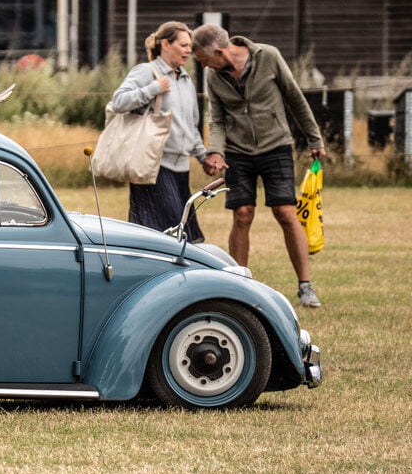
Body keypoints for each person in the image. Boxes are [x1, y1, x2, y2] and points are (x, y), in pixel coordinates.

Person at [191, 24, 327, 308]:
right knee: (242, 214)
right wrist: (215, 151)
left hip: (276, 145)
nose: (204, 66)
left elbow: (295, 99)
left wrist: (314, 137)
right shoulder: (213, 76)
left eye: (205, 60)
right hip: (238, 152)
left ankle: (305, 287)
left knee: (285, 213)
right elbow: (216, 119)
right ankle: (239, 285)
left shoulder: (269, 57)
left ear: (219, 51)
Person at [108, 21, 207, 241]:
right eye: (183, 45)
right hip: (153, 167)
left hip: (180, 169)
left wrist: (203, 156)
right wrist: (153, 88)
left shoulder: (186, 80)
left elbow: (191, 125)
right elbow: (118, 102)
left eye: (189, 45)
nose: (189, 50)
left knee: (180, 235)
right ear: (165, 44)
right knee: (166, 236)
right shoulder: (146, 72)